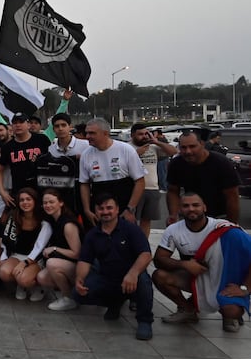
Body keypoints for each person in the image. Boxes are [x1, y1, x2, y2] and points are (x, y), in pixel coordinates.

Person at [153, 192, 250, 331]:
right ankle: (188, 311)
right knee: (160, 276)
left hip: (226, 279)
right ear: (180, 209)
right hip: (198, 277)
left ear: (204, 207)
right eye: (186, 206)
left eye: (195, 205)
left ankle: (231, 315)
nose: (191, 209)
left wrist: (245, 288)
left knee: (231, 311)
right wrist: (184, 264)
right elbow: (159, 259)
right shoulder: (173, 230)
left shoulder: (225, 230)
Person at [73, 193, 154, 340]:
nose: (105, 212)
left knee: (143, 281)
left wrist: (133, 273)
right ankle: (115, 303)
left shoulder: (130, 229)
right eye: (101, 208)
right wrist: (79, 279)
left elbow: (146, 254)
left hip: (132, 275)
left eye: (109, 208)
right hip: (108, 276)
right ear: (96, 211)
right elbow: (85, 260)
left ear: (117, 209)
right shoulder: (92, 235)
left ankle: (144, 321)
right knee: (78, 293)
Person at [79, 118, 146, 227]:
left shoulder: (126, 150)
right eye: (86, 133)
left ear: (105, 133)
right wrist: (87, 210)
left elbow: (140, 181)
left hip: (124, 205)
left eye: (92, 133)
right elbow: (84, 184)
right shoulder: (86, 154)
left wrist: (130, 209)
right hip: (99, 207)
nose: (87, 137)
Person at [167, 131, 240, 224]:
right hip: (191, 213)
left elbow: (232, 196)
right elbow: (173, 191)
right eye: (183, 148)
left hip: (220, 216)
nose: (188, 151)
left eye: (192, 146)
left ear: (202, 144)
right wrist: (173, 215)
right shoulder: (176, 163)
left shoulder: (221, 163)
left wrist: (232, 224)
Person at [0, 188, 53, 301]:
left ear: (35, 201)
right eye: (22, 200)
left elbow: (40, 246)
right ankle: (21, 285)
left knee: (24, 279)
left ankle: (38, 287)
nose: (25, 203)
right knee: (3, 272)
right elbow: (6, 239)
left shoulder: (43, 220)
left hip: (36, 259)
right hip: (17, 255)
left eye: (28, 199)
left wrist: (25, 262)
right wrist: (4, 258)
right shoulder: (14, 216)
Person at [36, 189, 82, 311]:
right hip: (66, 264)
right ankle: (73, 294)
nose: (48, 205)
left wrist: (55, 249)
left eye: (51, 202)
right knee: (42, 277)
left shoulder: (68, 224)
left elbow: (77, 254)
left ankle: (68, 299)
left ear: (61, 203)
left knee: (52, 264)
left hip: (80, 267)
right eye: (45, 203)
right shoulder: (52, 220)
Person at [0, 112, 52, 210]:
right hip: (19, 193)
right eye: (15, 123)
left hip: (42, 190)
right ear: (11, 126)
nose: (18, 125)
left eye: (21, 122)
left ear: (28, 124)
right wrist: (2, 192)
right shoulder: (8, 147)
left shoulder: (41, 140)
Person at [129, 123, 177, 237]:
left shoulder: (153, 147)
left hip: (152, 189)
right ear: (132, 135)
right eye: (140, 134)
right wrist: (136, 154)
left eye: (146, 133)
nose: (144, 136)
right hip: (134, 189)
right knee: (131, 220)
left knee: (147, 220)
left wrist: (157, 142)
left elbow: (173, 151)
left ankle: (144, 244)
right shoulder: (127, 148)